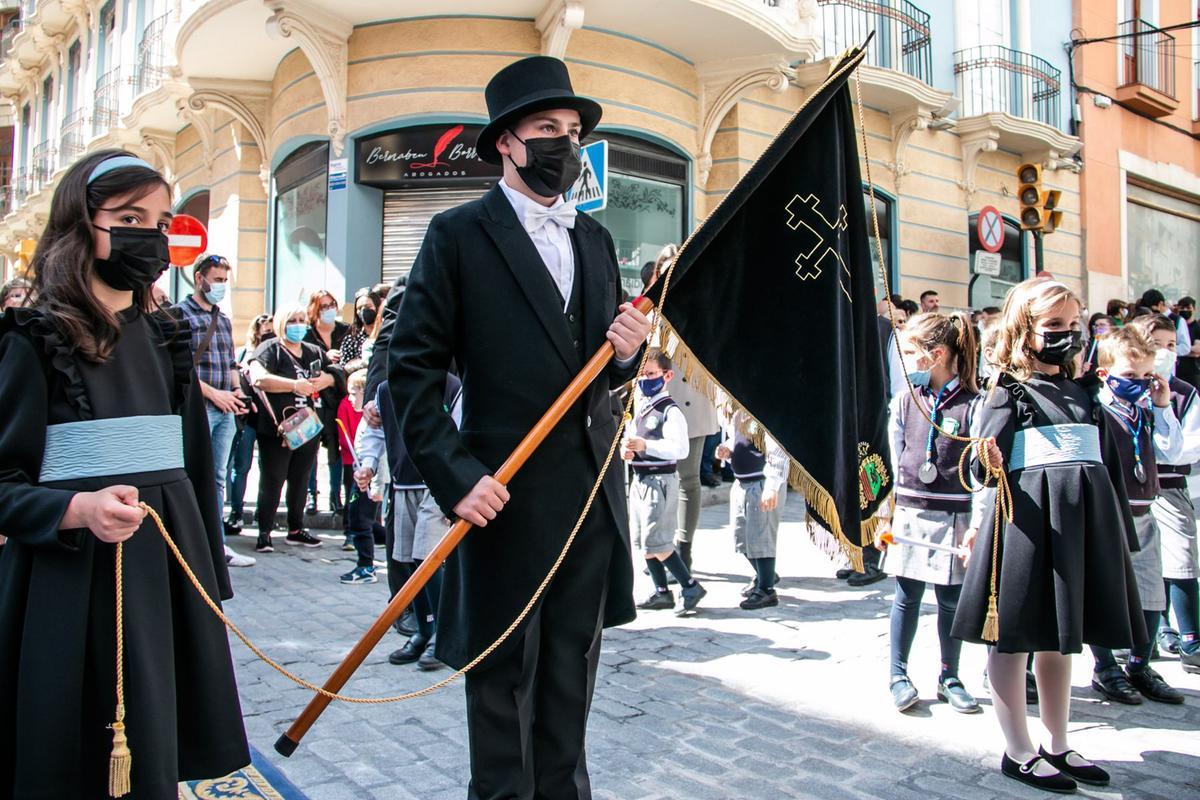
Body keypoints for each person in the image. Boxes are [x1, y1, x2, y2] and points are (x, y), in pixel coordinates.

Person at [388, 55, 650, 799]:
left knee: (572, 676)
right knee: (501, 685)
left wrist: (626, 356)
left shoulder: (595, 241)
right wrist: (457, 478)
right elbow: (409, 373)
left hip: (590, 501)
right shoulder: (457, 234)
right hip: (500, 497)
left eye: (571, 132)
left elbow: (603, 372)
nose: (564, 145)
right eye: (546, 129)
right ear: (506, 140)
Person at [0, 150, 249, 797]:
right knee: (70, 758)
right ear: (81, 223)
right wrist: (74, 511)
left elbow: (197, 471)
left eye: (162, 221)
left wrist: (206, 584)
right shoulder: (31, 338)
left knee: (152, 755)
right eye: (130, 216)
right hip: (67, 582)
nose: (151, 234)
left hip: (163, 579)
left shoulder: (168, 337)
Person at [952, 279, 1147, 794]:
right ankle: (1017, 748)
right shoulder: (1008, 392)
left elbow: (1107, 462)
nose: (1066, 334)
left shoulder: (1083, 392)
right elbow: (975, 464)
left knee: (1062, 640)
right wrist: (984, 460)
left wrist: (1117, 529)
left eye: (1073, 324)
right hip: (1026, 527)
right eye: (1053, 326)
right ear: (1024, 331)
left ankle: (1056, 741)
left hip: (1078, 526)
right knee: (1014, 638)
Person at [877, 311, 981, 714]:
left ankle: (949, 674)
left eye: (909, 352)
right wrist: (886, 511)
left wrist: (975, 523)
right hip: (910, 510)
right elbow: (894, 452)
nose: (903, 361)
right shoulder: (906, 401)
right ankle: (898, 674)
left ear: (936, 354)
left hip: (954, 513)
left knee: (950, 599)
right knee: (906, 595)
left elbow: (979, 469)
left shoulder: (975, 404)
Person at [1086, 326, 1184, 704]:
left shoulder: (1146, 408)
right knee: (1107, 593)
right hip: (1111, 515)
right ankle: (1105, 666)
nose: (1140, 383)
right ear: (1105, 374)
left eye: (1145, 375)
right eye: (1130, 376)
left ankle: (1140, 664)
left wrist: (1161, 406)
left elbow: (1170, 450)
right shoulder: (1098, 411)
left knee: (1151, 594)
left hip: (1145, 512)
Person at [1129, 315, 1200, 675]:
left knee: (1181, 557)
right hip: (1133, 491)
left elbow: (1182, 450)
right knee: (1143, 565)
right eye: (1157, 345)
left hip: (1170, 486)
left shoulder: (1186, 394)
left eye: (1172, 346)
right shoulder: (1128, 388)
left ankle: (1191, 636)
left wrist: (1164, 406)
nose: (1166, 353)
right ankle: (1153, 635)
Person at [175, 253, 255, 568]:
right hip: (200, 409)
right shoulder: (180, 314)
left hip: (225, 410)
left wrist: (235, 391)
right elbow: (180, 367)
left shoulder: (221, 318)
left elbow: (231, 363)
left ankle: (216, 544)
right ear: (200, 278)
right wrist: (214, 395)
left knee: (217, 477)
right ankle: (189, 542)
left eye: (225, 281)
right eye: (217, 280)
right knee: (191, 474)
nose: (221, 286)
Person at [249, 304, 344, 552]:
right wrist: (294, 386)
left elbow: (337, 372)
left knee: (301, 479)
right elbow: (258, 378)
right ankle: (264, 531)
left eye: (302, 320)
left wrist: (329, 378)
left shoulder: (313, 351)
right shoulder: (271, 349)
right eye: (293, 320)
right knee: (273, 479)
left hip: (309, 428)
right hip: (279, 429)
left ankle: (296, 528)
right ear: (282, 322)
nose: (298, 325)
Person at [625, 350, 706, 614]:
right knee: (643, 539)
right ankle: (661, 591)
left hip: (660, 481)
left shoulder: (670, 411)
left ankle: (689, 585)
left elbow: (679, 449)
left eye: (650, 375)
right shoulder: (642, 407)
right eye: (642, 375)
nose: (645, 380)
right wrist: (629, 452)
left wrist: (646, 445)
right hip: (640, 478)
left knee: (656, 540)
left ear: (666, 375)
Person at [716, 411, 788, 610]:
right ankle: (765, 573)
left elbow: (778, 452)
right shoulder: (738, 413)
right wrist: (727, 450)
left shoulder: (765, 411)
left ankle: (767, 589)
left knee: (761, 536)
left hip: (762, 483)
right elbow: (739, 441)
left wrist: (772, 486)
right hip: (742, 482)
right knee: (743, 537)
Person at [226, 313, 274, 534]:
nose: (268, 333)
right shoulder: (243, 354)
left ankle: (263, 514)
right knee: (241, 466)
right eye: (265, 329)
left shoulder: (276, 352)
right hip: (247, 420)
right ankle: (236, 512)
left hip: (270, 419)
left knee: (268, 469)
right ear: (256, 331)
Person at [304, 289, 350, 516]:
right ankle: (311, 494)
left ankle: (336, 495)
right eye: (323, 306)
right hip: (313, 398)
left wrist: (333, 374)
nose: (329, 309)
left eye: (331, 304)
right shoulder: (306, 334)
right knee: (311, 447)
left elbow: (354, 362)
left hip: (338, 397)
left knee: (337, 448)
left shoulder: (345, 331)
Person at [336, 369, 368, 555]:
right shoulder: (345, 406)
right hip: (352, 460)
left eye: (355, 393)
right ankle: (349, 531)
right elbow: (344, 436)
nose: (350, 398)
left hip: (369, 463)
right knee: (351, 496)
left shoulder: (372, 409)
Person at [341, 286, 383, 367]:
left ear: (377, 307)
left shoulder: (387, 334)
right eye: (359, 308)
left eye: (368, 307)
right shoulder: (351, 340)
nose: (363, 311)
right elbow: (344, 368)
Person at [1176, 296, 1200, 388]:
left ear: (1194, 309)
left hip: (1192, 373)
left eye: (1188, 308)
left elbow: (1197, 352)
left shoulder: (1197, 327)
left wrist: (1177, 349)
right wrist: (1185, 349)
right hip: (1177, 373)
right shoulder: (1176, 326)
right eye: (1182, 308)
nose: (1185, 310)